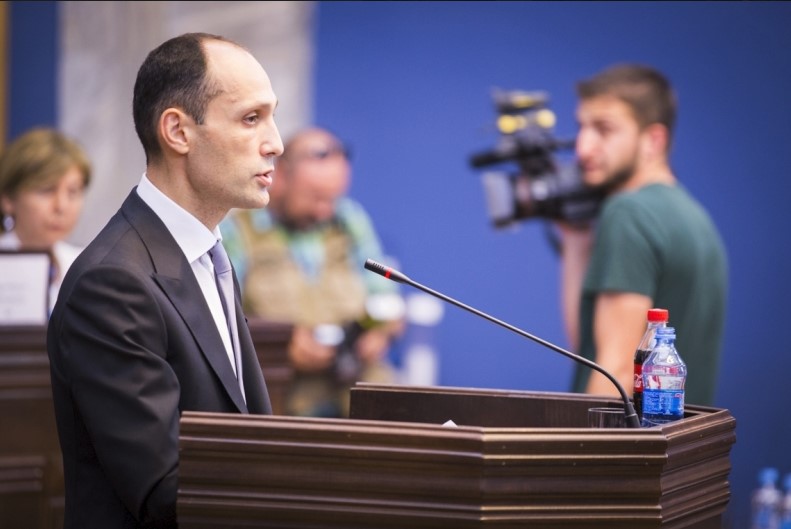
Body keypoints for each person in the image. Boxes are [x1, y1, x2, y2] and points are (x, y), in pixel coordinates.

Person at [46, 32, 283, 528]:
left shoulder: (208, 256)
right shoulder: (112, 283)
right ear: (177, 131)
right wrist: (321, 481)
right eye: (251, 118)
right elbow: (166, 490)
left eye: (271, 117)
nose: (275, 143)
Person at [558, 63, 728, 406]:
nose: (582, 148)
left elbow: (615, 372)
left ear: (653, 140)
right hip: (682, 438)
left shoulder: (628, 213)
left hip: (630, 440)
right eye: (582, 128)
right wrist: (576, 243)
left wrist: (578, 445)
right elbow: (592, 350)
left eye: (604, 129)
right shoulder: (695, 218)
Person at [222, 126, 404, 418]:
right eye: (316, 197)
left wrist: (380, 331)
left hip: (357, 388)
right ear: (280, 176)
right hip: (282, 399)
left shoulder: (349, 220)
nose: (325, 211)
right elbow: (221, 319)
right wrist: (278, 345)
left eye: (333, 198)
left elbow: (386, 297)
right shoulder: (237, 231)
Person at [0, 127, 92, 314]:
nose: (61, 206)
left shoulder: (87, 266)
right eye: (46, 190)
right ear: (8, 199)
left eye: (73, 192)